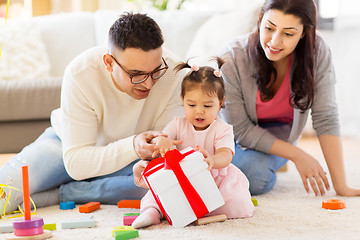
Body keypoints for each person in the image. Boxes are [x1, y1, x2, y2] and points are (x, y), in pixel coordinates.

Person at [0, 12, 184, 215]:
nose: (149, 83)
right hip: (66, 146)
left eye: (156, 70)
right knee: (7, 189)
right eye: (136, 75)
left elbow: (162, 157)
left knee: (168, 187)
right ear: (108, 62)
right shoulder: (81, 72)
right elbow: (76, 163)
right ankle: (76, 186)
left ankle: (64, 193)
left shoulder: (175, 74)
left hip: (132, 160)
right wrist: (132, 144)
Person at [220, 0, 360, 197]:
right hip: (233, 138)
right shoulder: (232, 57)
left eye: (288, 33)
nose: (275, 41)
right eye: (269, 28)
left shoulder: (317, 53)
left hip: (281, 136)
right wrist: (298, 155)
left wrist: (341, 186)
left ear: (303, 33)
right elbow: (240, 129)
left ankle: (274, 156)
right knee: (232, 172)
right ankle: (276, 157)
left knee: (254, 174)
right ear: (260, 21)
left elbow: (326, 117)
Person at [132, 58, 254, 229]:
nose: (199, 111)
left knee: (235, 201)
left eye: (207, 105)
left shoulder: (223, 129)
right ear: (183, 100)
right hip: (181, 179)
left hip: (213, 179)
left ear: (220, 104)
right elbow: (159, 139)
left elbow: (226, 155)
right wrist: (162, 141)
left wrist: (212, 159)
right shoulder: (177, 124)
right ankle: (151, 213)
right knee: (156, 195)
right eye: (191, 104)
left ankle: (201, 211)